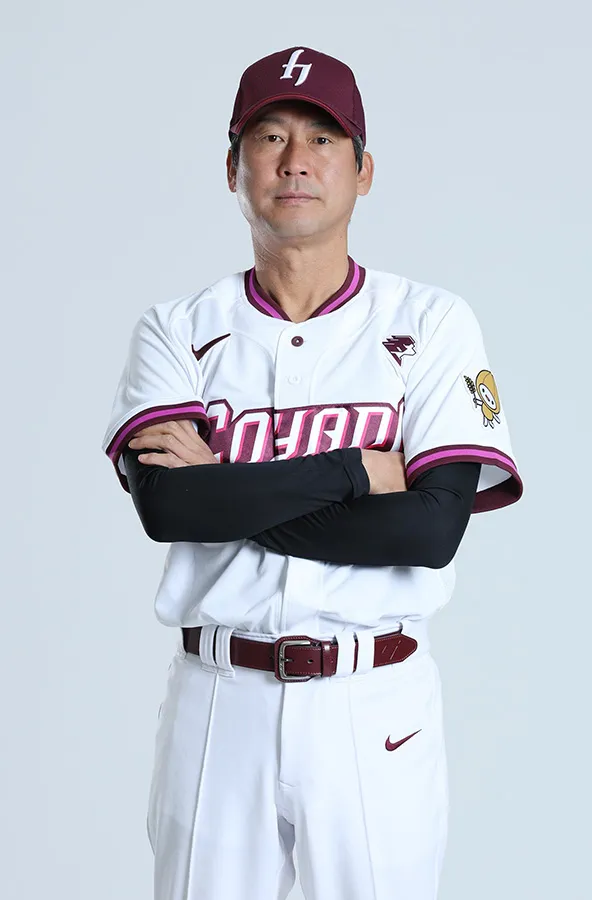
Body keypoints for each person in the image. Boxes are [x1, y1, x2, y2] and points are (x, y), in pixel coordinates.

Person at [101, 46, 523, 900]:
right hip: (218, 704)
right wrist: (353, 469)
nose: (295, 159)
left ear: (363, 171)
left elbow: (429, 529)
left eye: (323, 139)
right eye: (269, 137)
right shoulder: (176, 329)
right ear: (232, 168)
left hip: (374, 705)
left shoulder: (432, 324)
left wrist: (226, 489)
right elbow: (169, 509)